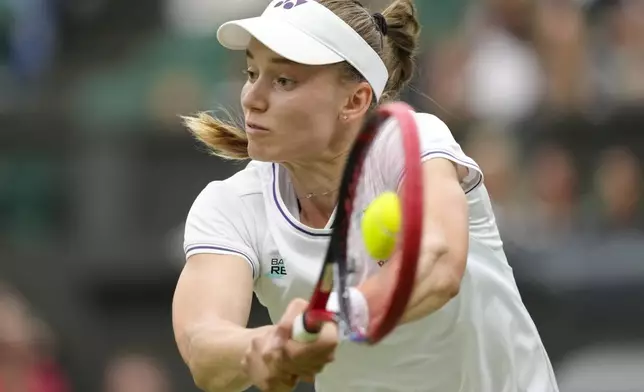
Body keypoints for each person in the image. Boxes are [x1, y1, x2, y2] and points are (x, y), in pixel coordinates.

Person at [172, 0, 560, 391]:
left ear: (354, 101)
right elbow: (203, 343)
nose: (252, 98)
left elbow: (438, 263)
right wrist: (264, 345)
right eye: (252, 72)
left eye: (284, 80)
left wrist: (336, 316)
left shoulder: (412, 144)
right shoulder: (233, 206)